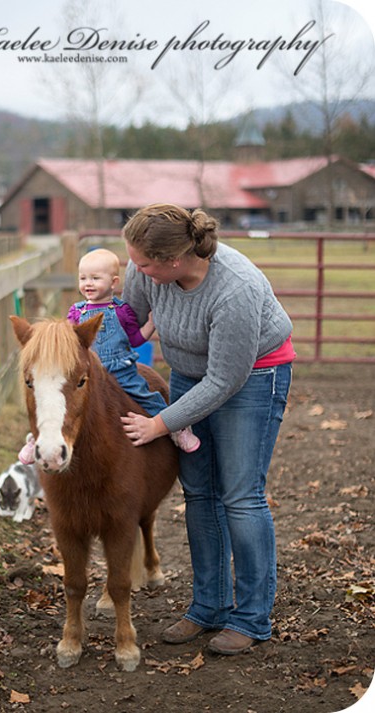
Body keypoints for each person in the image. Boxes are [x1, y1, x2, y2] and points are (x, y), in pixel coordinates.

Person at [120, 204, 295, 656]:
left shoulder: (235, 288)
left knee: (241, 494)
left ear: (174, 261)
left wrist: (160, 423)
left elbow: (225, 380)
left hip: (253, 376)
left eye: (142, 264)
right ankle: (208, 607)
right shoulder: (144, 267)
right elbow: (128, 323)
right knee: (199, 490)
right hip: (189, 371)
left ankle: (252, 617)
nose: (134, 270)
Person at [18, 248, 200, 463]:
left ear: (113, 282)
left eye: (95, 278)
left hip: (121, 370)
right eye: (83, 278)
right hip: (90, 372)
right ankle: (37, 438)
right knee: (59, 401)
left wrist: (151, 325)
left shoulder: (122, 311)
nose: (88, 284)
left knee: (148, 396)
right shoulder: (76, 311)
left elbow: (134, 339)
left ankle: (175, 428)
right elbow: (69, 344)